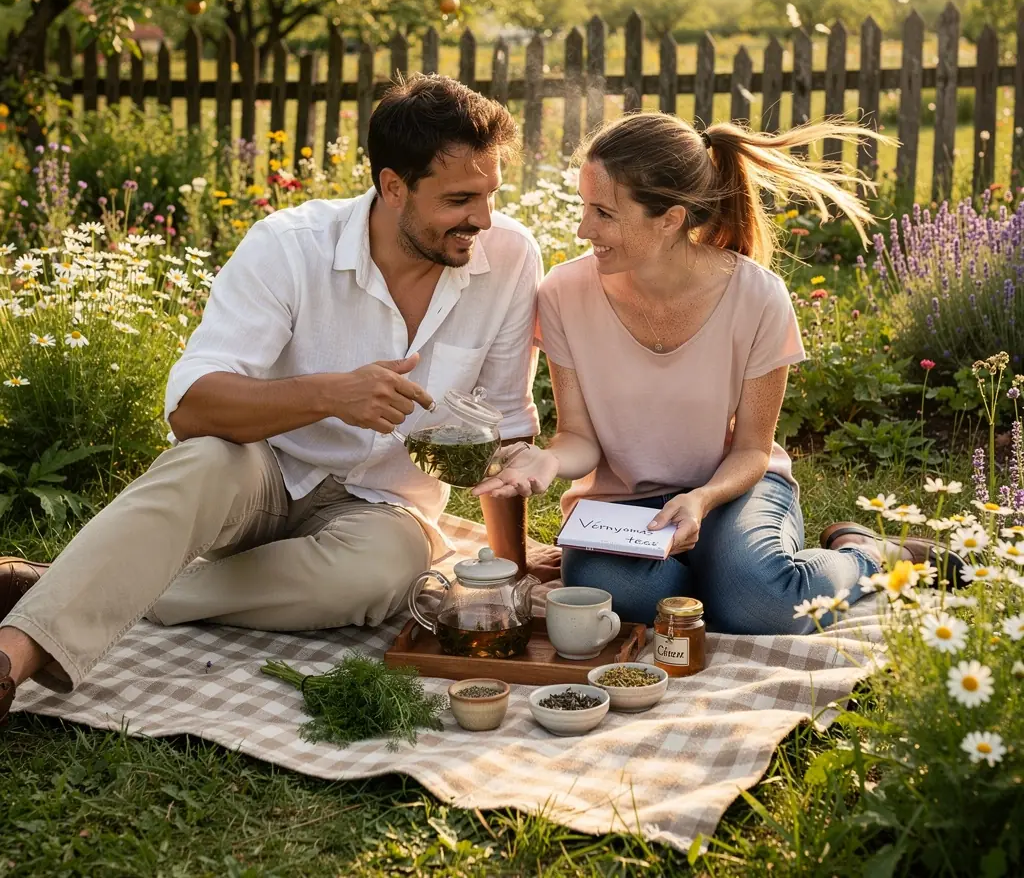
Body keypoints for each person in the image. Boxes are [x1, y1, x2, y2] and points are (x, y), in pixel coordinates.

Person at [0, 74, 547, 725]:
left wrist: (511, 579)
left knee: (392, 571)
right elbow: (193, 410)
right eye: (460, 199)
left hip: (383, 507)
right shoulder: (289, 247)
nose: (481, 219)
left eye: (490, 194)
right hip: (258, 474)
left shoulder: (510, 258)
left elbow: (506, 427)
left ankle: (78, 586)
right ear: (393, 186)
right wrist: (328, 395)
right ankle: (13, 659)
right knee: (200, 464)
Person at [473, 112, 960, 633]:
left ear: (671, 219)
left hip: (732, 490)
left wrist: (701, 501)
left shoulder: (758, 298)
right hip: (625, 505)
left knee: (760, 604)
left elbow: (753, 449)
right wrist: (548, 461)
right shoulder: (564, 294)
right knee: (627, 601)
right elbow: (578, 438)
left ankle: (868, 553)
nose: (582, 229)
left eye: (604, 213)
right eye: (583, 206)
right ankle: (717, 573)